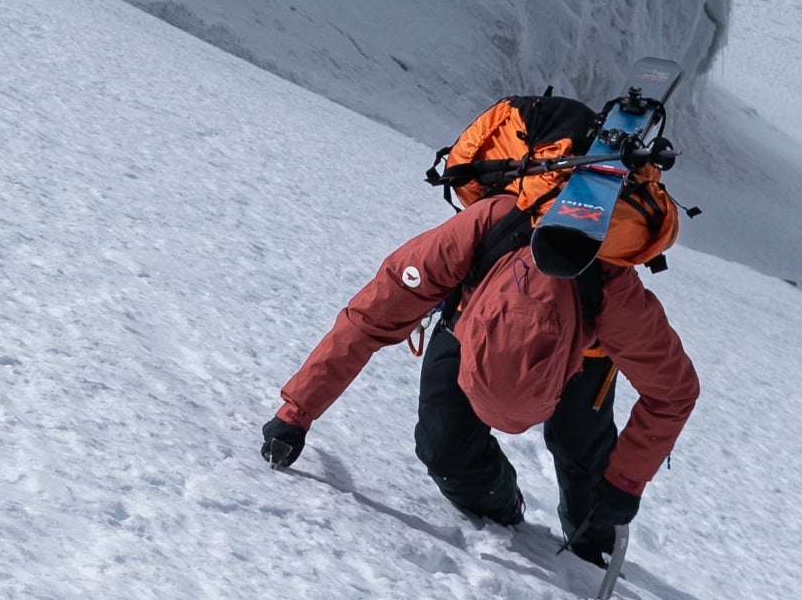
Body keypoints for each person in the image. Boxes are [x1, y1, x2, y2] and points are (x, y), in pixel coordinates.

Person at [260, 192, 700, 565]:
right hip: (473, 312)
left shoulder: (612, 293)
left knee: (588, 473)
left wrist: (623, 484)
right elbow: (371, 316)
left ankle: (590, 547)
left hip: (587, 352)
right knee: (445, 449)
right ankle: (503, 510)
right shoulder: (481, 232)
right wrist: (297, 411)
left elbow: (673, 392)